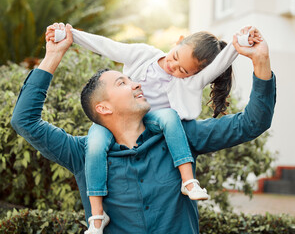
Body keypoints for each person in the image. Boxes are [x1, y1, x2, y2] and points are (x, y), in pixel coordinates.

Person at [11, 23, 276, 234]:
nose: (137, 83)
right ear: (103, 108)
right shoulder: (83, 153)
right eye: (122, 83)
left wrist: (260, 61)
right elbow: (25, 121)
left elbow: (253, 123)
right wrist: (53, 55)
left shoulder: (180, 136)